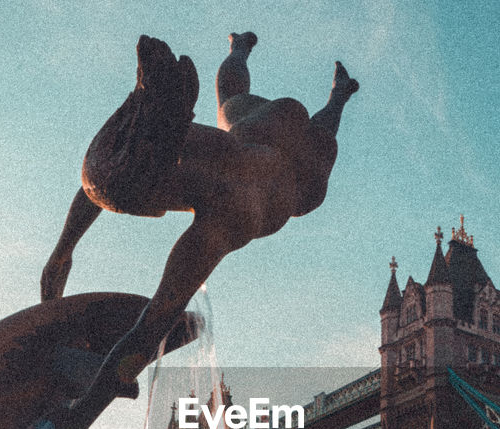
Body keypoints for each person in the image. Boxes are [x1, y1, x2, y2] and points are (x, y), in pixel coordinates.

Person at [39, 33, 358, 409]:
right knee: (229, 106)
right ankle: (245, 50)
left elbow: (153, 323)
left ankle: (337, 96)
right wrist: (56, 280)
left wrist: (81, 411)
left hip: (295, 183)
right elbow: (97, 191)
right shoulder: (172, 139)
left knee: (317, 142)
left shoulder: (224, 222)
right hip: (264, 128)